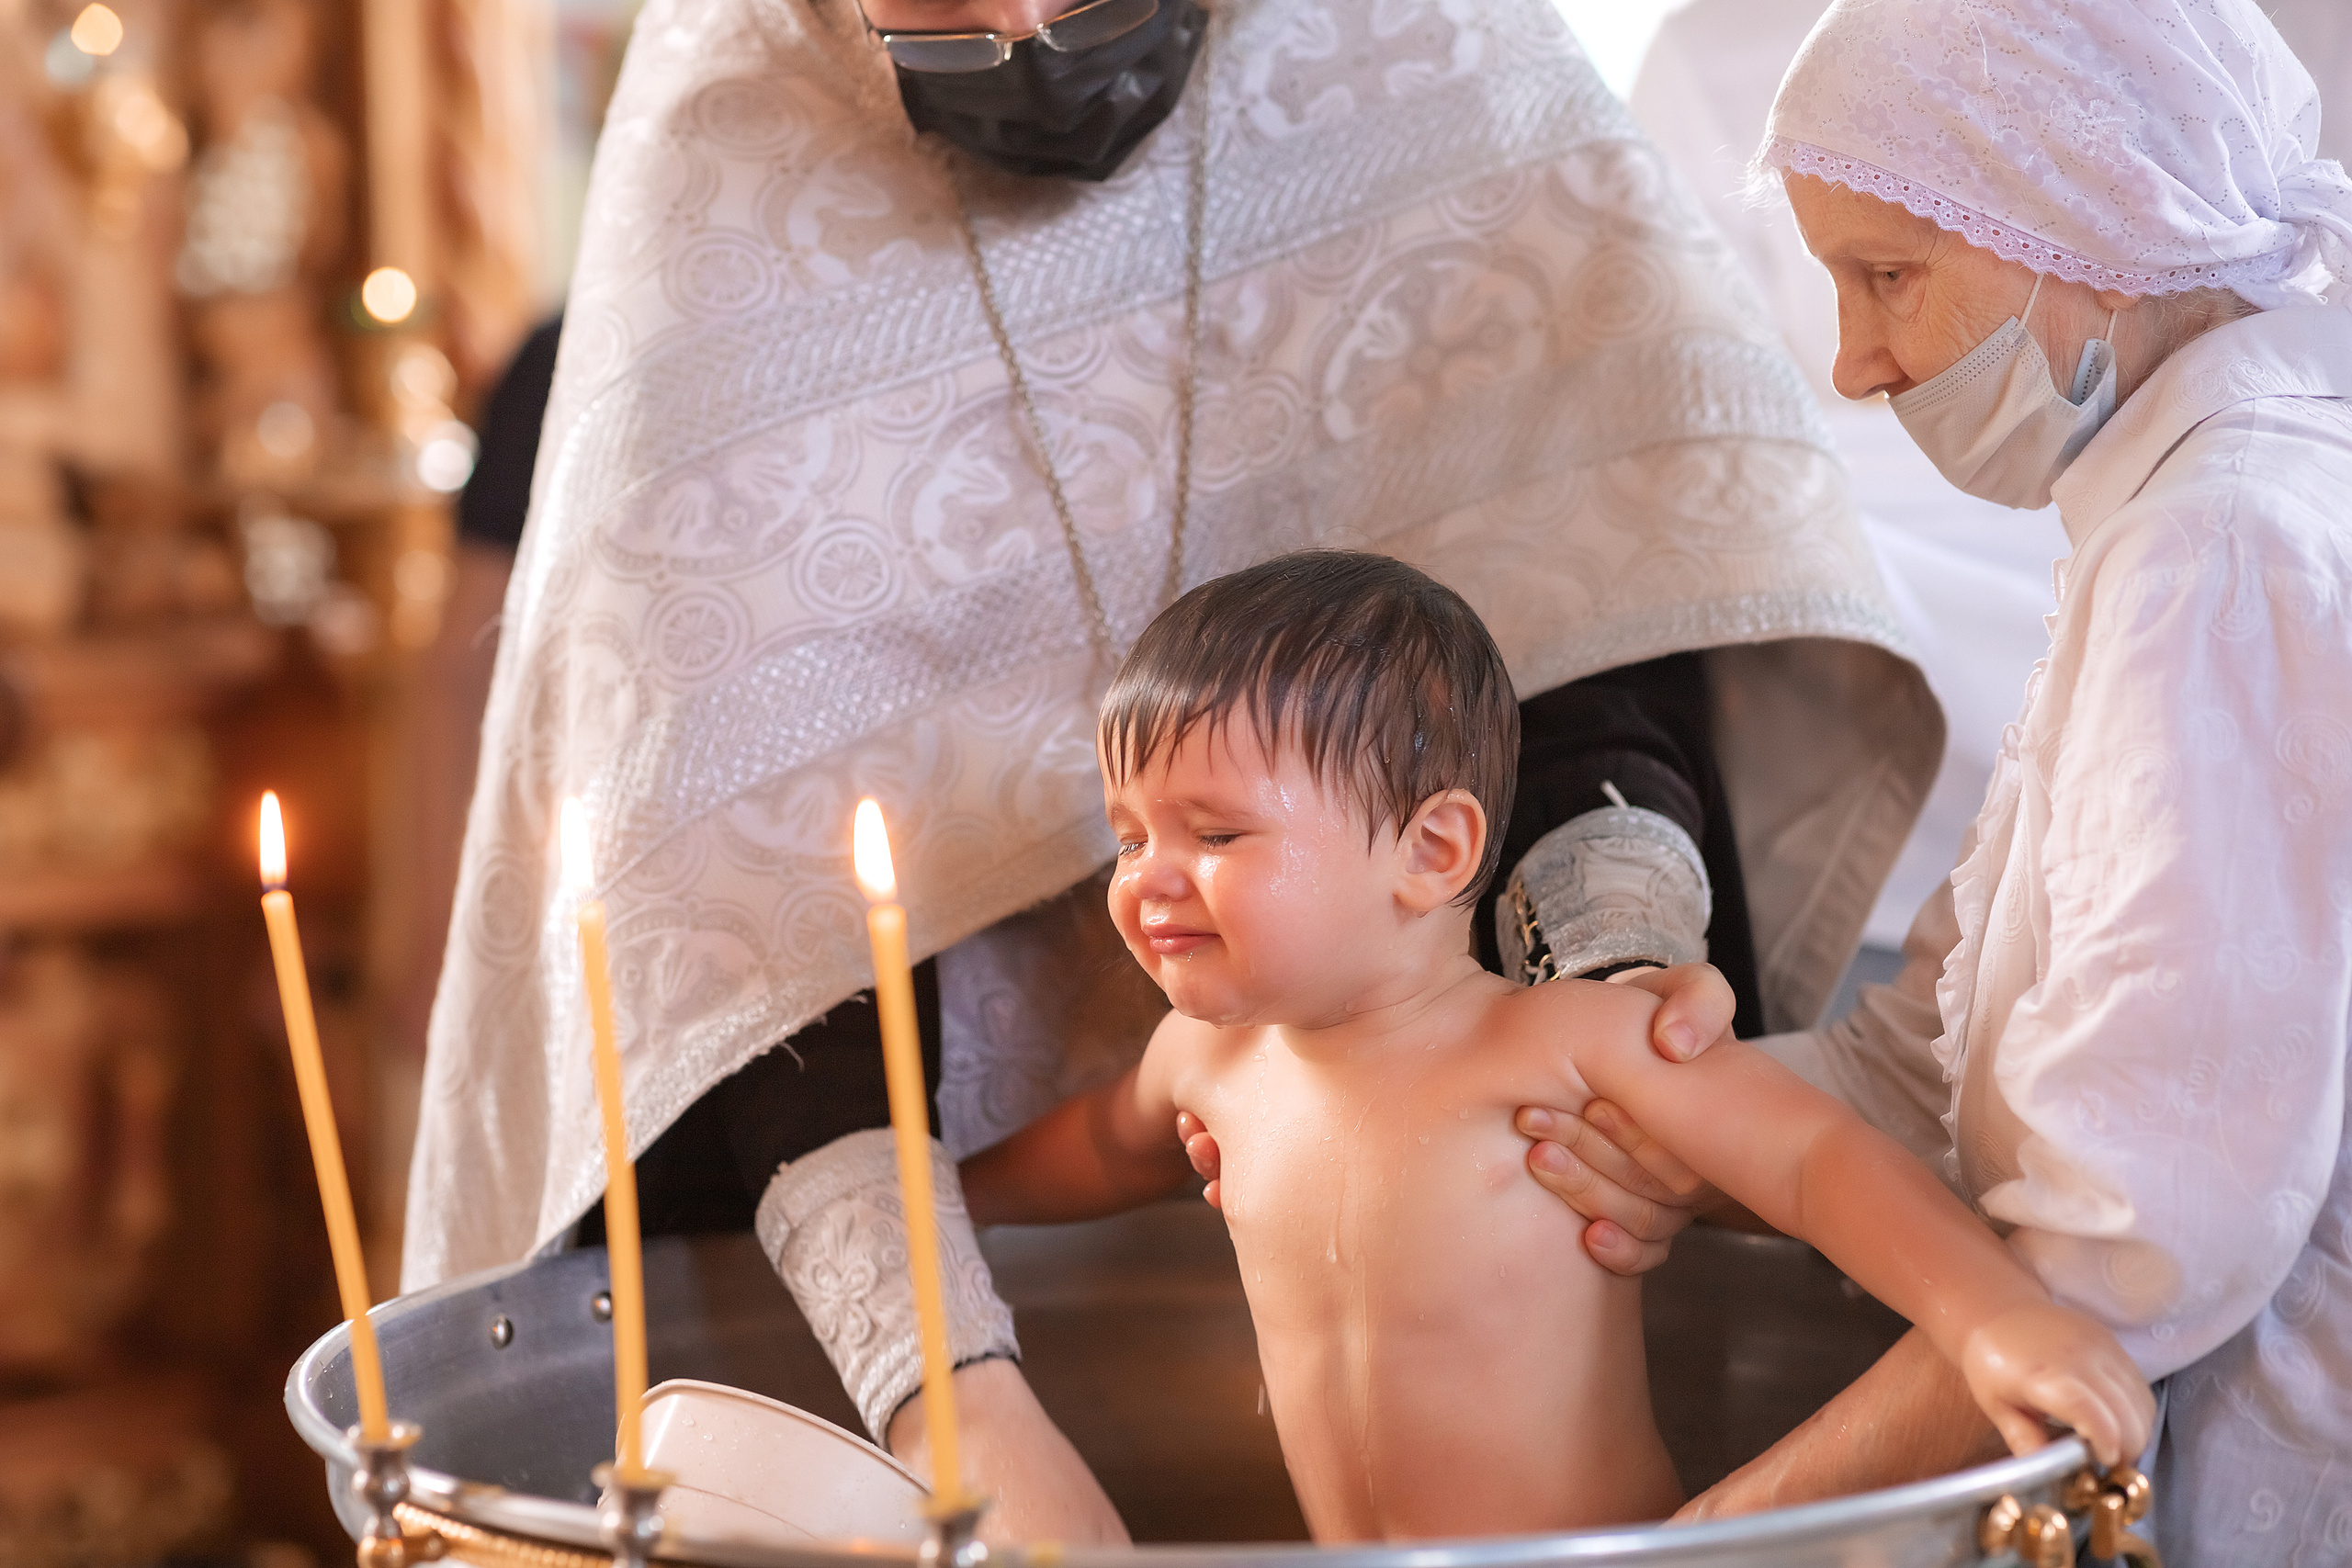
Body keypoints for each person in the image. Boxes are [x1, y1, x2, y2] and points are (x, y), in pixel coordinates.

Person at [404, 0, 1944, 1534]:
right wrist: (953, 1382)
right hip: (928, 1190)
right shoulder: (728, 153)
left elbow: (1588, 568)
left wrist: (1620, 1034)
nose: (1014, 23)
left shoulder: (1431, 60)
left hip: (1477, 1106)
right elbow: (739, 858)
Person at [1493, 0, 2352, 1551]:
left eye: (1890, 276)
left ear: (2095, 220)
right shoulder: (2160, 521)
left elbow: (2126, 1258)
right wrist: (1652, 1113)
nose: (1853, 363)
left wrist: (1701, 1547)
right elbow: (1929, 1058)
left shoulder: (2216, 552)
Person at [960, 551, 2152, 1543]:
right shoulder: (1205, 1061)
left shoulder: (1571, 1045)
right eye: (1128, 837)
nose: (1150, 880)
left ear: (1431, 853)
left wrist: (1995, 1317)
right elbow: (1098, 1156)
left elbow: (1817, 1166)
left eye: (1215, 831)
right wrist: (939, 1196)